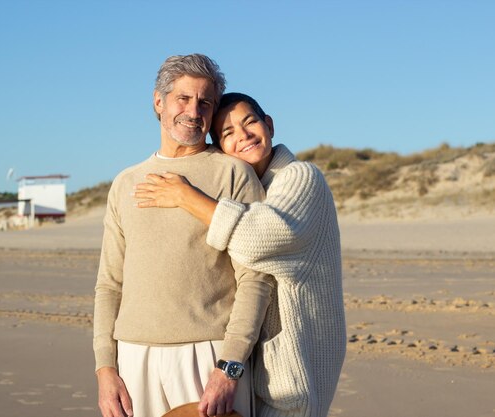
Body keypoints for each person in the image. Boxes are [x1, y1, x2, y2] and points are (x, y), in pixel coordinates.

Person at [133, 93, 346, 417]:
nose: (243, 135)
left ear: (269, 125)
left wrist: (185, 196)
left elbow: (262, 238)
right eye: (228, 133)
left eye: (249, 122)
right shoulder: (254, 190)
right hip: (260, 380)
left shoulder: (301, 177)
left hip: (294, 386)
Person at [93, 57, 274, 417]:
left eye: (205, 102)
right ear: (159, 102)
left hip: (208, 356)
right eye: (183, 98)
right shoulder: (125, 182)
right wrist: (105, 369)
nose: (193, 111)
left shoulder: (233, 173)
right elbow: (109, 284)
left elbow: (256, 277)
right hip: (133, 358)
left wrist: (230, 365)